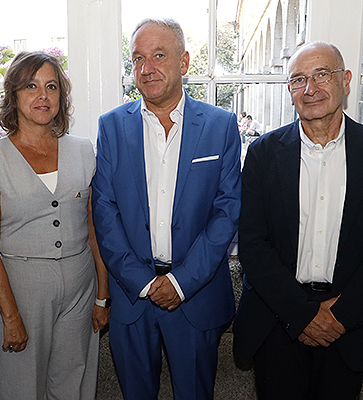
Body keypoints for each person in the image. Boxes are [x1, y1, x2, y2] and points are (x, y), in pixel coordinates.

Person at [233, 41, 363, 399]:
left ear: (345, 80)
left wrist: (339, 314)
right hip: (278, 320)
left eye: (321, 75)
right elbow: (252, 244)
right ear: (290, 91)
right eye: (299, 80)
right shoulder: (263, 154)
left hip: (348, 323)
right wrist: (301, 315)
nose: (310, 89)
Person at [92, 18, 241, 400]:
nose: (147, 68)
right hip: (132, 296)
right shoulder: (111, 127)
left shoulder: (221, 125)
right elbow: (105, 210)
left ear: (184, 62)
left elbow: (227, 212)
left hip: (196, 296)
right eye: (138, 58)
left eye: (159, 55)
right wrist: (142, 281)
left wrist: (180, 283)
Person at [0, 51, 110, 400]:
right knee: (22, 388)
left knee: (74, 384)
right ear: (14, 96)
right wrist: (10, 315)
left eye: (51, 86)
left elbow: (94, 231)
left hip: (80, 289)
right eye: (31, 86)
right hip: (20, 291)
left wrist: (102, 296)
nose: (42, 96)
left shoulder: (83, 151)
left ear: (62, 96)